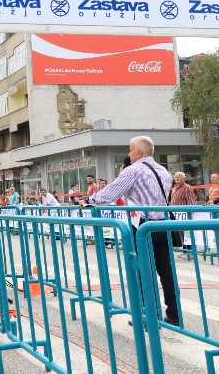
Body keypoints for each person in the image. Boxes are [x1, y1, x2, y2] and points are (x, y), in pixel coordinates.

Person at [90, 136, 179, 327]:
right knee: (166, 270)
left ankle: (149, 316)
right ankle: (174, 314)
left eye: (130, 150)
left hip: (142, 227)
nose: (128, 153)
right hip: (163, 225)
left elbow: (109, 194)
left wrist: (89, 200)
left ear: (139, 152)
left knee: (143, 271)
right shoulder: (163, 170)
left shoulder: (134, 170)